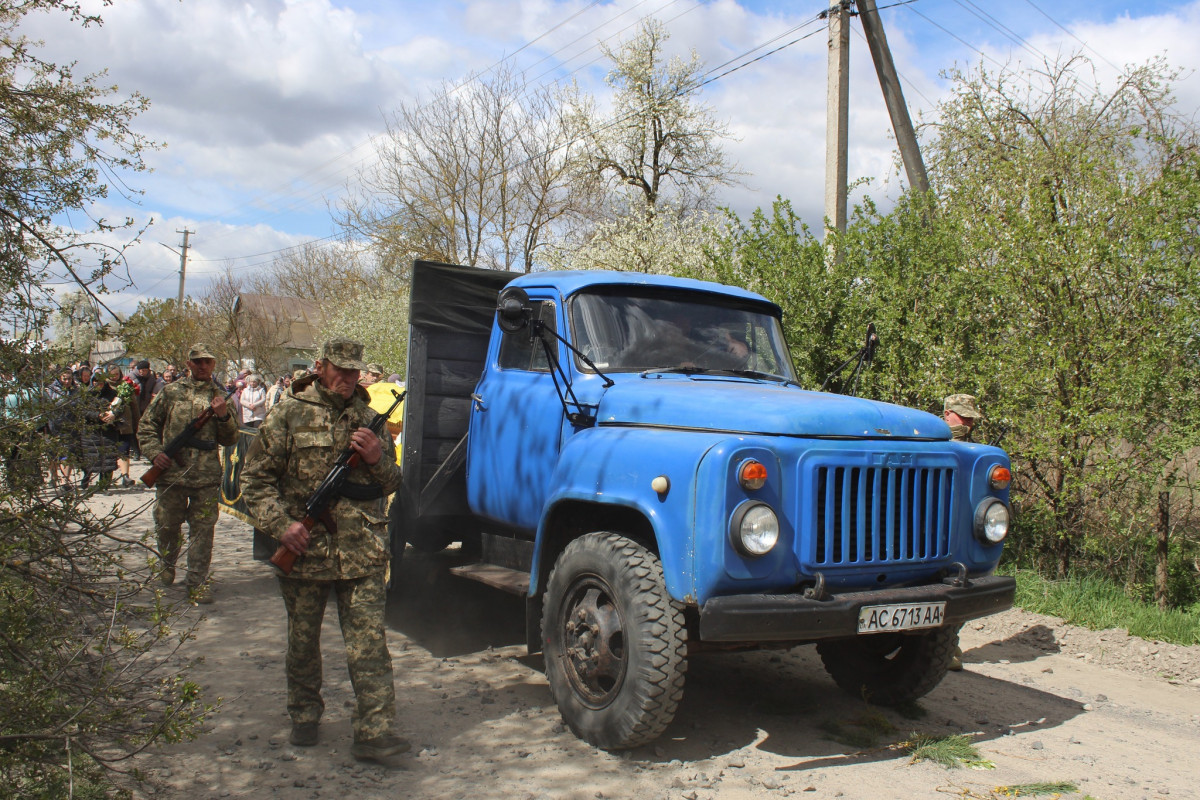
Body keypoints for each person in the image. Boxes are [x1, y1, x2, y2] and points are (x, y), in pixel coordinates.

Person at [240, 338, 406, 763]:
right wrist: (283, 527)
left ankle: (376, 732)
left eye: (354, 372)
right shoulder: (289, 413)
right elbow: (254, 483)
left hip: (363, 550)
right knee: (303, 641)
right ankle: (305, 714)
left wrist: (376, 457)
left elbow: (392, 484)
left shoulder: (370, 418)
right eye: (341, 370)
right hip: (306, 548)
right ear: (321, 366)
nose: (348, 379)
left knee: (370, 643)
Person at [137, 344, 239, 603]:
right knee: (167, 526)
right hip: (171, 474)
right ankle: (167, 562)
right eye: (198, 361)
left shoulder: (221, 396)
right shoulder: (170, 392)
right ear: (189, 363)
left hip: (206, 477)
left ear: (214, 364)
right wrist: (155, 453)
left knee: (203, 531)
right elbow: (147, 426)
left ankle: (196, 582)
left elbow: (231, 439)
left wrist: (224, 417)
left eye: (208, 361)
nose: (203, 366)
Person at [943, 393, 983, 672]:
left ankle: (948, 644)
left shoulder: (971, 450)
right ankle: (947, 646)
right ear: (947, 414)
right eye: (962, 415)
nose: (967, 421)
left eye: (970, 417)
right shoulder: (936, 444)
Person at [98, 364, 139, 488]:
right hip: (108, 425)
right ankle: (105, 480)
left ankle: (125, 476)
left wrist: (137, 422)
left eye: (117, 374)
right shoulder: (104, 386)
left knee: (124, 450)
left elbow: (134, 406)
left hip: (125, 423)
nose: (115, 377)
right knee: (108, 453)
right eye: (112, 375)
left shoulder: (125, 386)